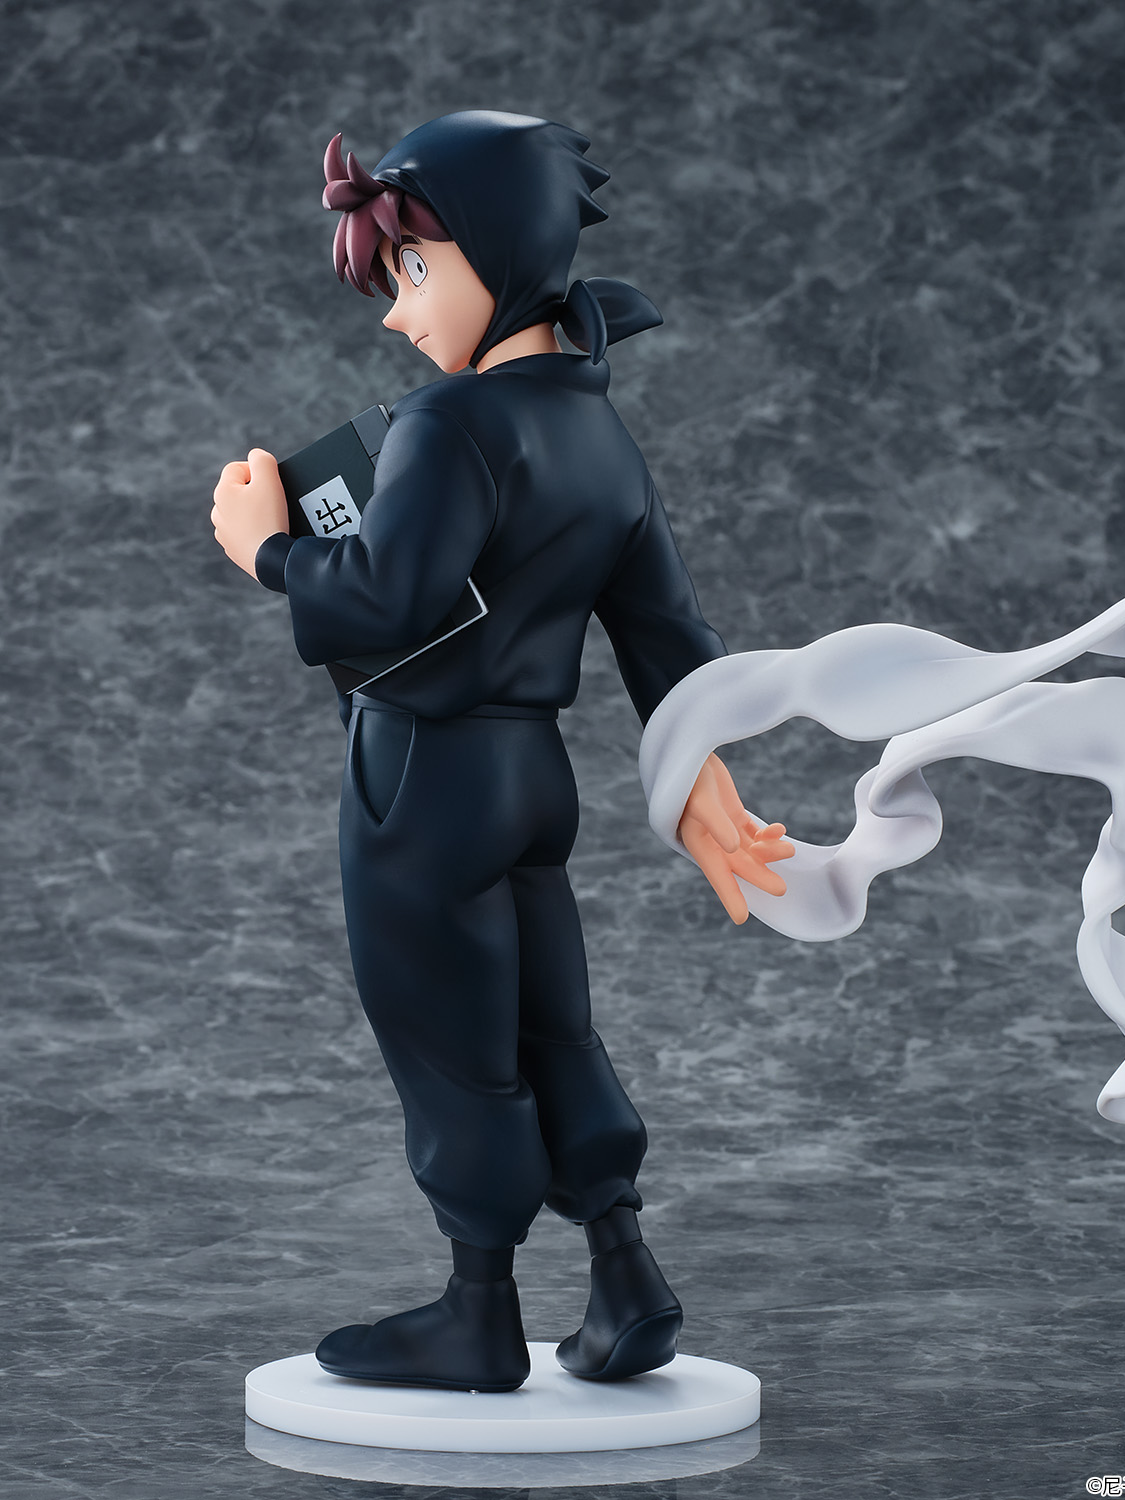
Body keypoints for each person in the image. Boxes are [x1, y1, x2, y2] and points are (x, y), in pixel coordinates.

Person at [210, 110, 791, 1393]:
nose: (396, 314)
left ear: (494, 250)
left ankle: (477, 1314)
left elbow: (383, 595)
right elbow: (670, 641)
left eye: (413, 271)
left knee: (445, 1037)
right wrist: (703, 784)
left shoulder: (450, 424)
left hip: (421, 778)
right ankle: (626, 1270)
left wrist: (267, 548)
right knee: (551, 1027)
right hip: (534, 780)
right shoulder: (601, 435)